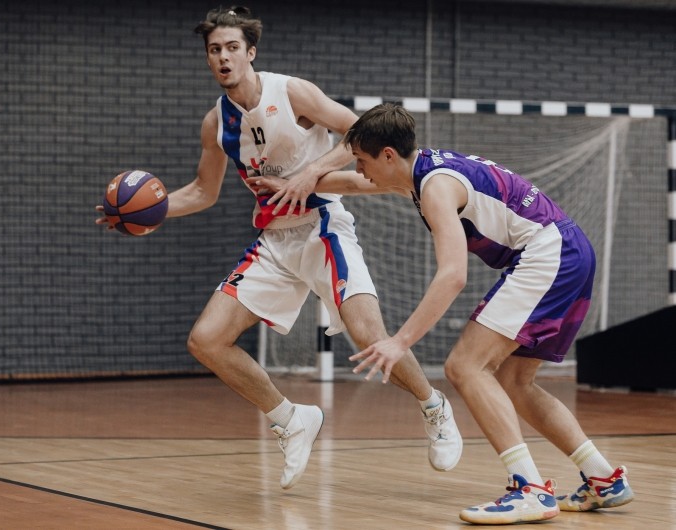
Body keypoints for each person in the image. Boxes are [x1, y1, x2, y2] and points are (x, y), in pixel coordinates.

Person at [96, 7, 462, 490]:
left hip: (323, 226)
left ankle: (433, 406)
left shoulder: (291, 93)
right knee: (206, 340)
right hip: (275, 239)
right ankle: (290, 419)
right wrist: (146, 213)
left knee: (369, 336)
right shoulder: (216, 123)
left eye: (232, 48)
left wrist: (310, 173)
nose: (223, 57)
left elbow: (363, 134)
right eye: (214, 50)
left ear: (250, 52)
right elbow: (203, 191)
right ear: (207, 58)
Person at [255, 102, 635, 522]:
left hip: (549, 256)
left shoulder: (436, 188)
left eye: (362, 159)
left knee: (465, 367)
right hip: (570, 252)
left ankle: (529, 489)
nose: (358, 168)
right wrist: (293, 185)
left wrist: (399, 342)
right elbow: (355, 184)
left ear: (388, 155)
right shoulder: (419, 170)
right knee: (515, 381)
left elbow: (453, 275)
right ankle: (604, 478)